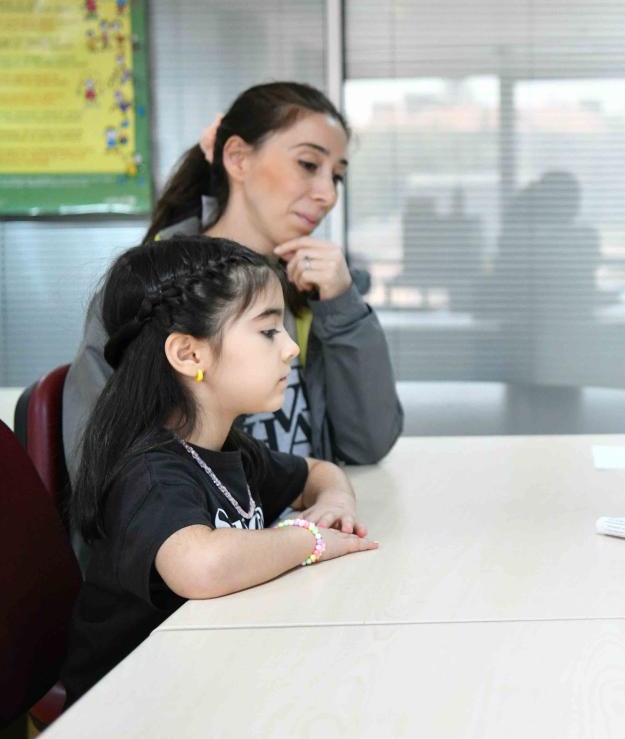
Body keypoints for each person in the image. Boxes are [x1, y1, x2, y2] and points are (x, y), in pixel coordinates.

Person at [61, 236, 379, 705]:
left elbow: (318, 472)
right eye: (269, 331)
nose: (290, 348)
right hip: (130, 711)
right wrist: (309, 541)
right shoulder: (150, 473)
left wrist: (333, 503)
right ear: (190, 355)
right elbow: (201, 565)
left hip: (206, 680)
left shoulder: (227, 448)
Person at [64, 82, 403, 488]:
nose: (328, 194)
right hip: (203, 540)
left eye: (337, 177)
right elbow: (102, 463)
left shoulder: (314, 288)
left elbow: (368, 444)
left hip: (308, 523)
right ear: (238, 158)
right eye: (309, 165)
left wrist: (343, 307)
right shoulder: (154, 290)